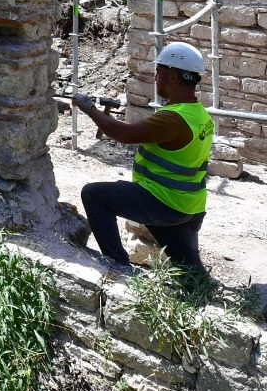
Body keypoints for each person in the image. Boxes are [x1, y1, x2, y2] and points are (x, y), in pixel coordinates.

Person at [72, 43, 216, 275]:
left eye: (158, 73)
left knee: (94, 195)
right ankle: (201, 294)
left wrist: (89, 108)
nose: (156, 78)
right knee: (192, 275)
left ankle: (117, 265)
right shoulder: (198, 114)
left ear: (172, 76)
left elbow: (124, 134)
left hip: (163, 201)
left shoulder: (172, 119)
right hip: (190, 204)